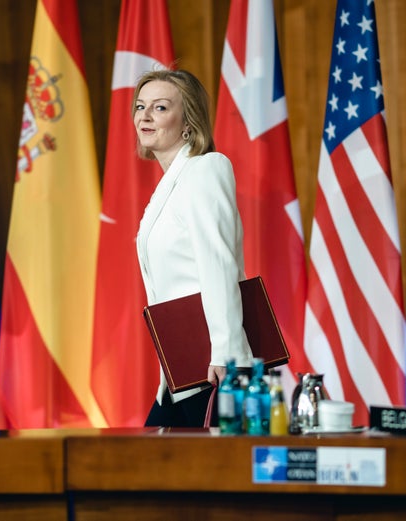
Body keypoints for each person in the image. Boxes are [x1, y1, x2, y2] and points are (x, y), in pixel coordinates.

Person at [134, 69, 253, 428]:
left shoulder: (206, 169)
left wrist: (227, 356)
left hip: (212, 368)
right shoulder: (169, 187)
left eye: (160, 107)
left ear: (187, 121)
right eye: (140, 107)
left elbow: (218, 266)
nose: (145, 115)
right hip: (179, 371)